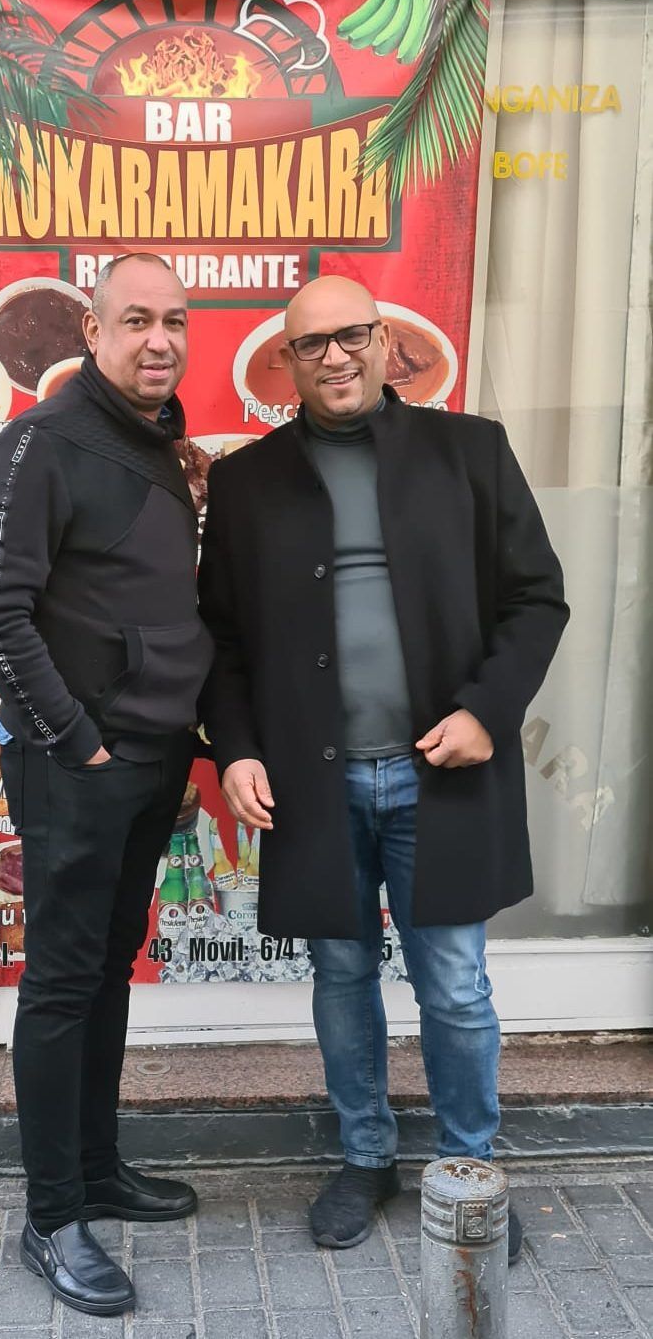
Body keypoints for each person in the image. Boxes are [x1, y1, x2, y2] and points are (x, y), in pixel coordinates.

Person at [197, 276, 569, 1260]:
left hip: (439, 776)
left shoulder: (469, 451)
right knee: (342, 975)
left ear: (383, 340)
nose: (334, 356)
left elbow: (537, 598)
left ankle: (470, 1173)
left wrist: (487, 710)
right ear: (287, 362)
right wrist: (236, 748)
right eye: (310, 343)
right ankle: (366, 1159)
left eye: (350, 335)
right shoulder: (246, 482)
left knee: (455, 985)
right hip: (313, 783)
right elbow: (220, 639)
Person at [0, 253, 213, 1317]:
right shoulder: (41, 442)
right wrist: (78, 740)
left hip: (151, 760)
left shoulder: (154, 444)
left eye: (175, 321)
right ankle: (53, 1214)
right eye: (136, 320)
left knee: (108, 970)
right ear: (93, 332)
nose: (160, 339)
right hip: (79, 765)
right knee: (63, 985)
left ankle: (98, 1169)